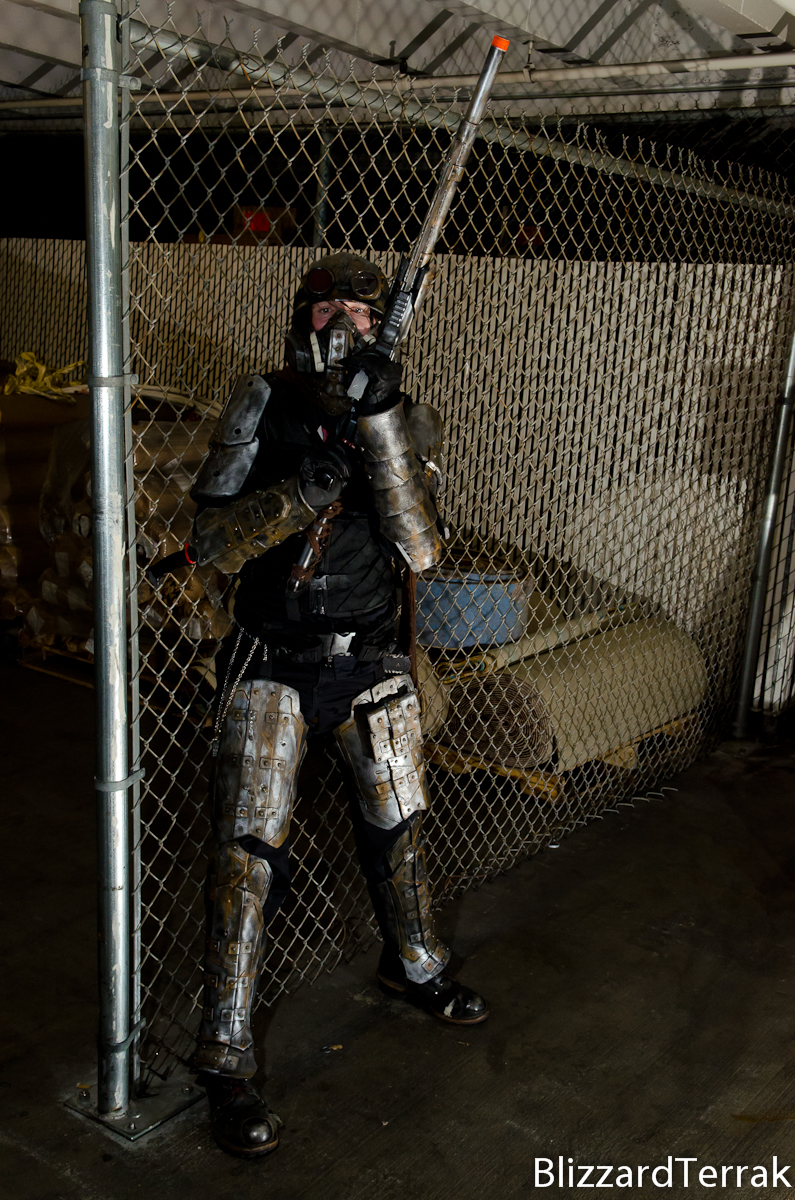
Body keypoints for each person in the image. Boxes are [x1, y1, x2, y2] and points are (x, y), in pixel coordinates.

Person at [188, 252, 488, 1159]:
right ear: (301, 316)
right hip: (271, 659)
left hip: (371, 661)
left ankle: (414, 965)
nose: (345, 323)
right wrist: (303, 492)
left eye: (361, 310)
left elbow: (422, 550)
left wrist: (382, 425)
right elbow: (212, 544)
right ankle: (224, 1053)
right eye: (329, 309)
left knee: (400, 828)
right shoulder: (261, 399)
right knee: (246, 857)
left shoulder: (403, 410)